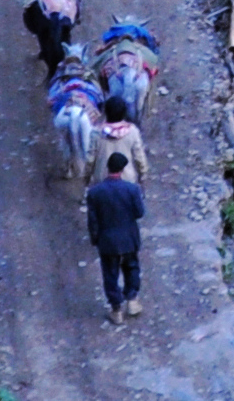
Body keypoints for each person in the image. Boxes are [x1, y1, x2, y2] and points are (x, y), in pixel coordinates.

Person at [85, 151, 145, 324]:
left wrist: (95, 239)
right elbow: (139, 213)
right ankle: (132, 300)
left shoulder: (95, 192)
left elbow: (93, 221)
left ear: (107, 167)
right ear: (123, 169)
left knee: (110, 273)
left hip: (107, 241)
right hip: (129, 238)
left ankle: (116, 309)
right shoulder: (132, 189)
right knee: (131, 267)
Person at [89, 95, 149, 185]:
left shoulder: (97, 133)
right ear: (124, 113)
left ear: (105, 112)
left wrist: (86, 177)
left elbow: (90, 159)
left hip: (102, 180)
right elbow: (139, 156)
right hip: (127, 180)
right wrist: (143, 173)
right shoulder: (132, 131)